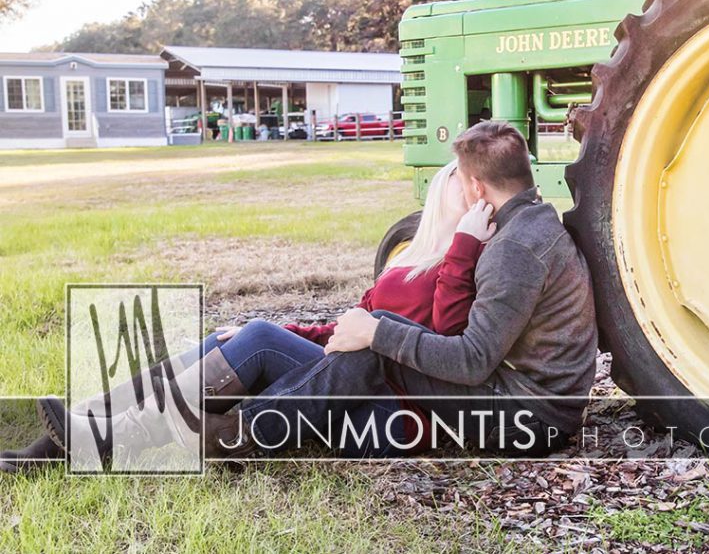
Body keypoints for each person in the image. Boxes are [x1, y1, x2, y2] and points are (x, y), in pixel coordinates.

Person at [1, 160, 491, 473]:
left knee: (256, 338)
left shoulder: (463, 263)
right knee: (238, 336)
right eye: (458, 183)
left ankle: (104, 435)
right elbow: (351, 324)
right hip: (353, 372)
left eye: (473, 187)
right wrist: (289, 331)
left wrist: (466, 243)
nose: (469, 191)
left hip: (389, 405)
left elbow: (446, 340)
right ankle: (67, 435)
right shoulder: (413, 258)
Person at [199, 120, 598, 459]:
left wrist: (375, 332)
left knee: (376, 340)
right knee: (378, 331)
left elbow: (473, 360)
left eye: (459, 179)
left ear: (477, 187)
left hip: (529, 420)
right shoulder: (535, 223)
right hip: (539, 406)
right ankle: (242, 425)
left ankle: (241, 434)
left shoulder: (513, 249)